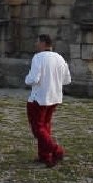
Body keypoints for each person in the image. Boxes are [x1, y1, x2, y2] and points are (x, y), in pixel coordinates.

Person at [25, 33, 71, 168]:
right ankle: (45, 155)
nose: (35, 44)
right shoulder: (60, 58)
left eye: (37, 42)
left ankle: (56, 150)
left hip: (39, 98)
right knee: (45, 127)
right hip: (55, 96)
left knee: (37, 128)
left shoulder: (38, 58)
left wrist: (27, 79)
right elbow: (67, 79)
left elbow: (33, 79)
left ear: (44, 43)